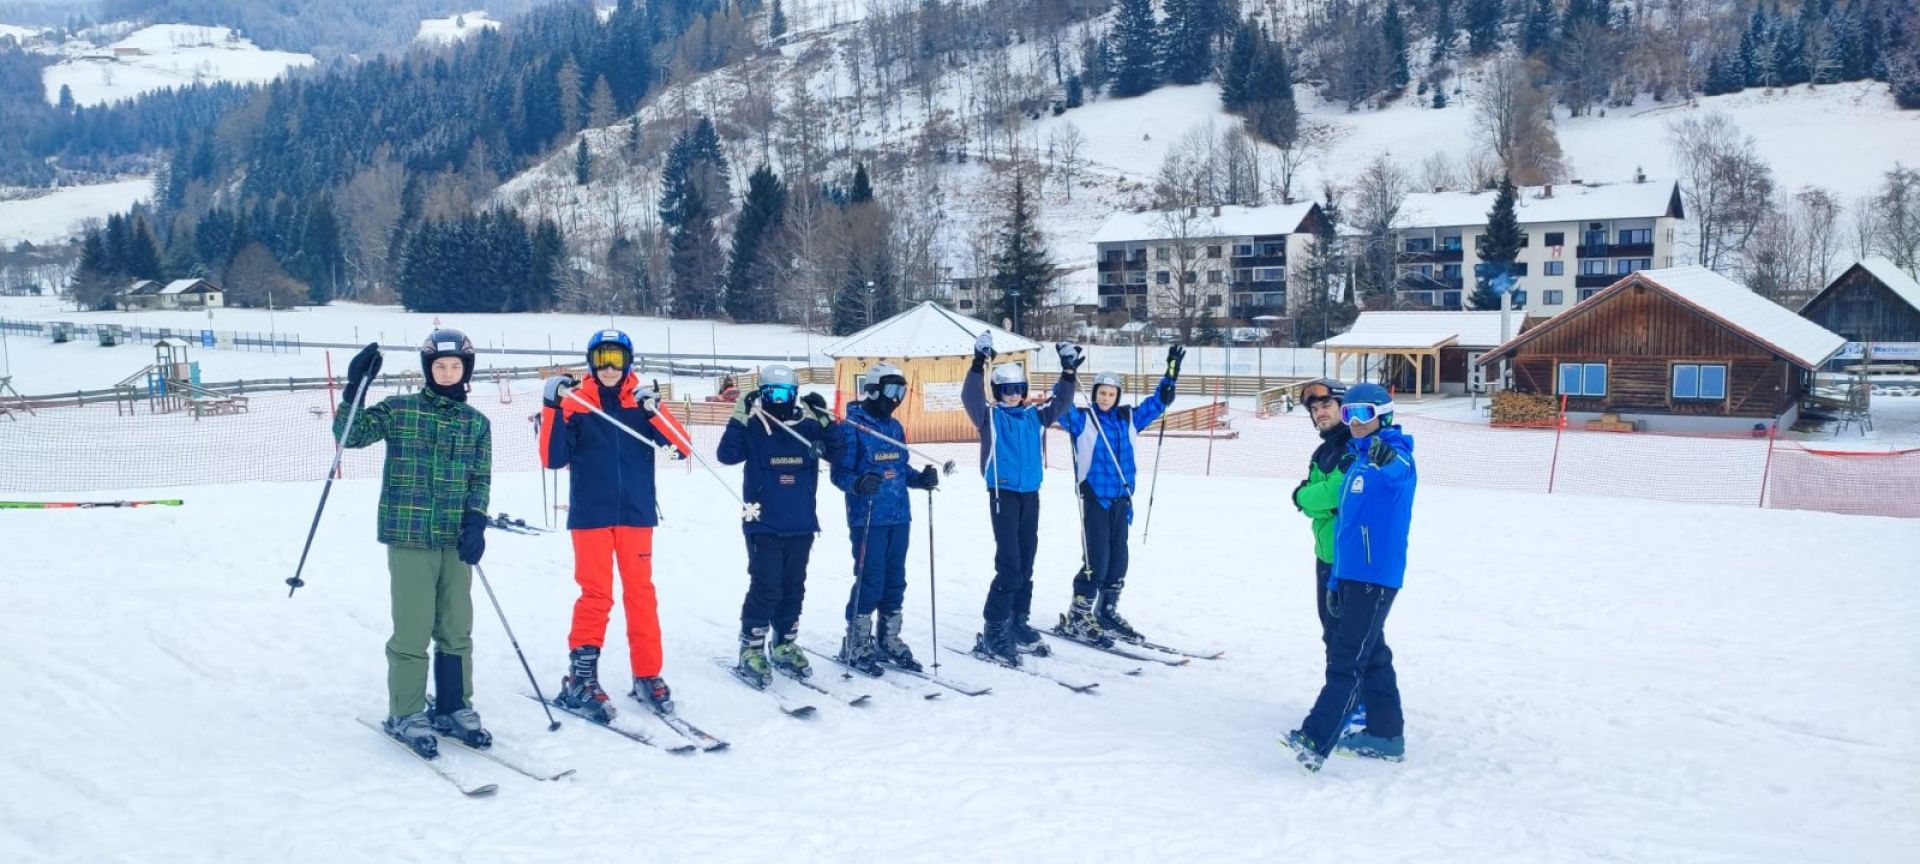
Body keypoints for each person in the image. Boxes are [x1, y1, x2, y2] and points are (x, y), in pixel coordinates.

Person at [337, 330, 492, 758]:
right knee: (412, 628)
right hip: (410, 536)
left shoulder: (477, 423)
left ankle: (453, 706)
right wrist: (356, 388)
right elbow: (350, 435)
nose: (446, 373)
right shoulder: (401, 411)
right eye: (439, 367)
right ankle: (405, 711)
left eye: (455, 366)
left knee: (456, 626)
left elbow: (480, 478)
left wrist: (476, 522)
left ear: (466, 370)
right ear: (428, 370)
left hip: (454, 539)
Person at [540, 329, 691, 721]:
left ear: (628, 362)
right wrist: (552, 406)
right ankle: (581, 677)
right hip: (591, 514)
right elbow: (553, 458)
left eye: (617, 359)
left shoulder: (639, 404)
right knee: (596, 594)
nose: (610, 367)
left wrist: (655, 410)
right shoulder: (577, 404)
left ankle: (647, 673)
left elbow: (681, 448)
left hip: (635, 513)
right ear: (592, 362)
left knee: (641, 593)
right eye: (603, 359)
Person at [1285, 382, 1416, 773]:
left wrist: (1385, 456)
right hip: (1341, 565)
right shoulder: (1348, 453)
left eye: (1334, 406)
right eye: (1348, 415)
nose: (1352, 422)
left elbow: (1395, 471)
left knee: (1348, 654)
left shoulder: (1385, 454)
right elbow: (1317, 498)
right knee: (1366, 648)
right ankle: (1384, 731)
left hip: (1369, 571)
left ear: (1383, 416)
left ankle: (1322, 732)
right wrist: (1311, 498)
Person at [716, 365, 842, 689]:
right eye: (771, 393)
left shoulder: (808, 426)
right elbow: (726, 454)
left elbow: (840, 454)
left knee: (794, 587)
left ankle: (785, 641)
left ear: (795, 394)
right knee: (766, 586)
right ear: (761, 392)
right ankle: (752, 646)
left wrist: (826, 421)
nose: (778, 399)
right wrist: (740, 415)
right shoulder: (755, 426)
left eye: (785, 393)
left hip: (800, 521)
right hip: (762, 521)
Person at [1054, 344, 1185, 646]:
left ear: (1118, 397)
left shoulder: (1129, 419)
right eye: (1101, 393)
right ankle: (1078, 614)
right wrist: (1068, 373)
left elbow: (1158, 403)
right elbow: (1060, 405)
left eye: (1111, 394)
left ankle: (1107, 611)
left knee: (1118, 560)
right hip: (1096, 499)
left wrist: (1171, 374)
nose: (1105, 398)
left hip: (1122, 500)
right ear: (1096, 393)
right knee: (1096, 559)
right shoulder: (1082, 420)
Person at [962, 331, 1075, 666]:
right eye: (1007, 390)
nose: (1013, 396)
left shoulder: (1033, 417)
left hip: (1031, 494)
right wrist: (978, 361)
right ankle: (995, 626)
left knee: (1026, 560)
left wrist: (1068, 372)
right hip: (1003, 494)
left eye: (1018, 390)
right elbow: (970, 395)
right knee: (1010, 563)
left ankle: (1017, 619)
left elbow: (1062, 401)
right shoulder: (989, 417)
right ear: (997, 391)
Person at [830, 363, 941, 675]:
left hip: (898, 515)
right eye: (892, 390)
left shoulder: (894, 427)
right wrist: (858, 483)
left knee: (895, 579)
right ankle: (855, 641)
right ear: (874, 389)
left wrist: (922, 479)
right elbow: (839, 473)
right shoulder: (852, 426)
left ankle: (888, 638)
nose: (897, 398)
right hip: (867, 517)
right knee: (871, 577)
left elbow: (901, 469)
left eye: (902, 391)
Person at [1290, 378, 1349, 652]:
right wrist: (1310, 500)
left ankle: (1354, 695)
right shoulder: (1321, 453)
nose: (1320, 413)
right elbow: (1314, 503)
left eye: (1326, 405)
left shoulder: (1355, 447)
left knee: (1352, 639)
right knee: (1331, 634)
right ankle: (1341, 692)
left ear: (1342, 406)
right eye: (1314, 410)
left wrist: (1304, 497)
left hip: (1352, 562)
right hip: (1324, 557)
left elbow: (1337, 494)